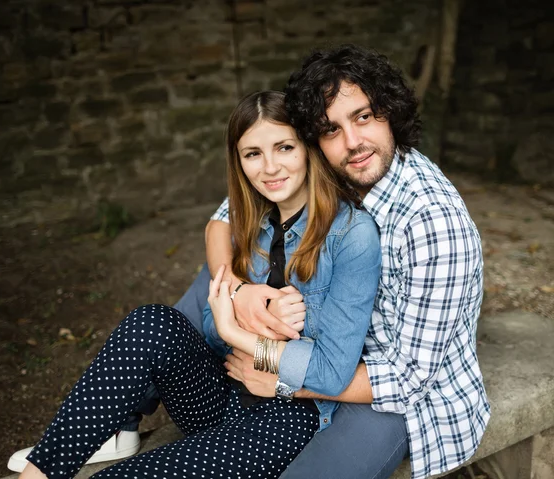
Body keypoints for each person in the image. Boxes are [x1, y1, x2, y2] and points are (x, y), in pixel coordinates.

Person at [12, 90, 382, 479]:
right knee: (151, 323)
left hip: (286, 419)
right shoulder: (251, 220)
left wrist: (236, 332)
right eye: (253, 154)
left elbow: (332, 373)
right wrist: (237, 313)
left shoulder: (351, 236)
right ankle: (38, 474)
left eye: (284, 147)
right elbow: (209, 322)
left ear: (307, 149)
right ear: (239, 162)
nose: (270, 167)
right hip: (223, 399)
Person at [205, 44, 491, 479]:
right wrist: (242, 293)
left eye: (363, 116)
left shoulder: (432, 225)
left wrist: (284, 380)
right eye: (331, 129)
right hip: (326, 347)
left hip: (395, 400)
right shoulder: (330, 164)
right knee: (192, 297)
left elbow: (408, 380)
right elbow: (227, 216)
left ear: (390, 111)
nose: (352, 142)